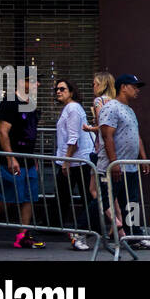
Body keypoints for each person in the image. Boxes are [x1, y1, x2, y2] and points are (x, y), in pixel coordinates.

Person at [0, 74, 44, 249]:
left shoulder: (31, 103)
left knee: (29, 196)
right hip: (12, 159)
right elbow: (2, 132)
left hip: (28, 159)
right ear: (22, 81)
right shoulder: (10, 102)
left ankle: (23, 234)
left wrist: (33, 156)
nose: (38, 83)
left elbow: (29, 132)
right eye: (34, 80)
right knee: (10, 197)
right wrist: (10, 157)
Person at [96, 73, 150, 250]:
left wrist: (143, 159)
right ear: (123, 87)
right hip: (113, 167)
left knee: (132, 202)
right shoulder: (111, 108)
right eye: (134, 86)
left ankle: (135, 237)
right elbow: (107, 136)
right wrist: (113, 163)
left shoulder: (129, 110)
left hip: (130, 167)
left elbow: (135, 136)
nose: (137, 90)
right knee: (103, 202)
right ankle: (79, 233)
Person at [54, 78, 98, 250]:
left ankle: (88, 227)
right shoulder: (71, 108)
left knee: (78, 194)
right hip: (77, 160)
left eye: (62, 89)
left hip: (77, 161)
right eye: (57, 89)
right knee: (69, 194)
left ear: (71, 92)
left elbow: (74, 139)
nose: (58, 91)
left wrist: (66, 162)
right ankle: (89, 226)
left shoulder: (72, 108)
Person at [88, 71, 120, 232]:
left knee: (94, 190)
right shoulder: (115, 102)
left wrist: (89, 128)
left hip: (101, 152)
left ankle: (115, 221)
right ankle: (119, 230)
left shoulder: (99, 101)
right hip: (114, 151)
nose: (93, 87)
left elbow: (103, 126)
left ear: (101, 84)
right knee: (112, 196)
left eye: (94, 83)